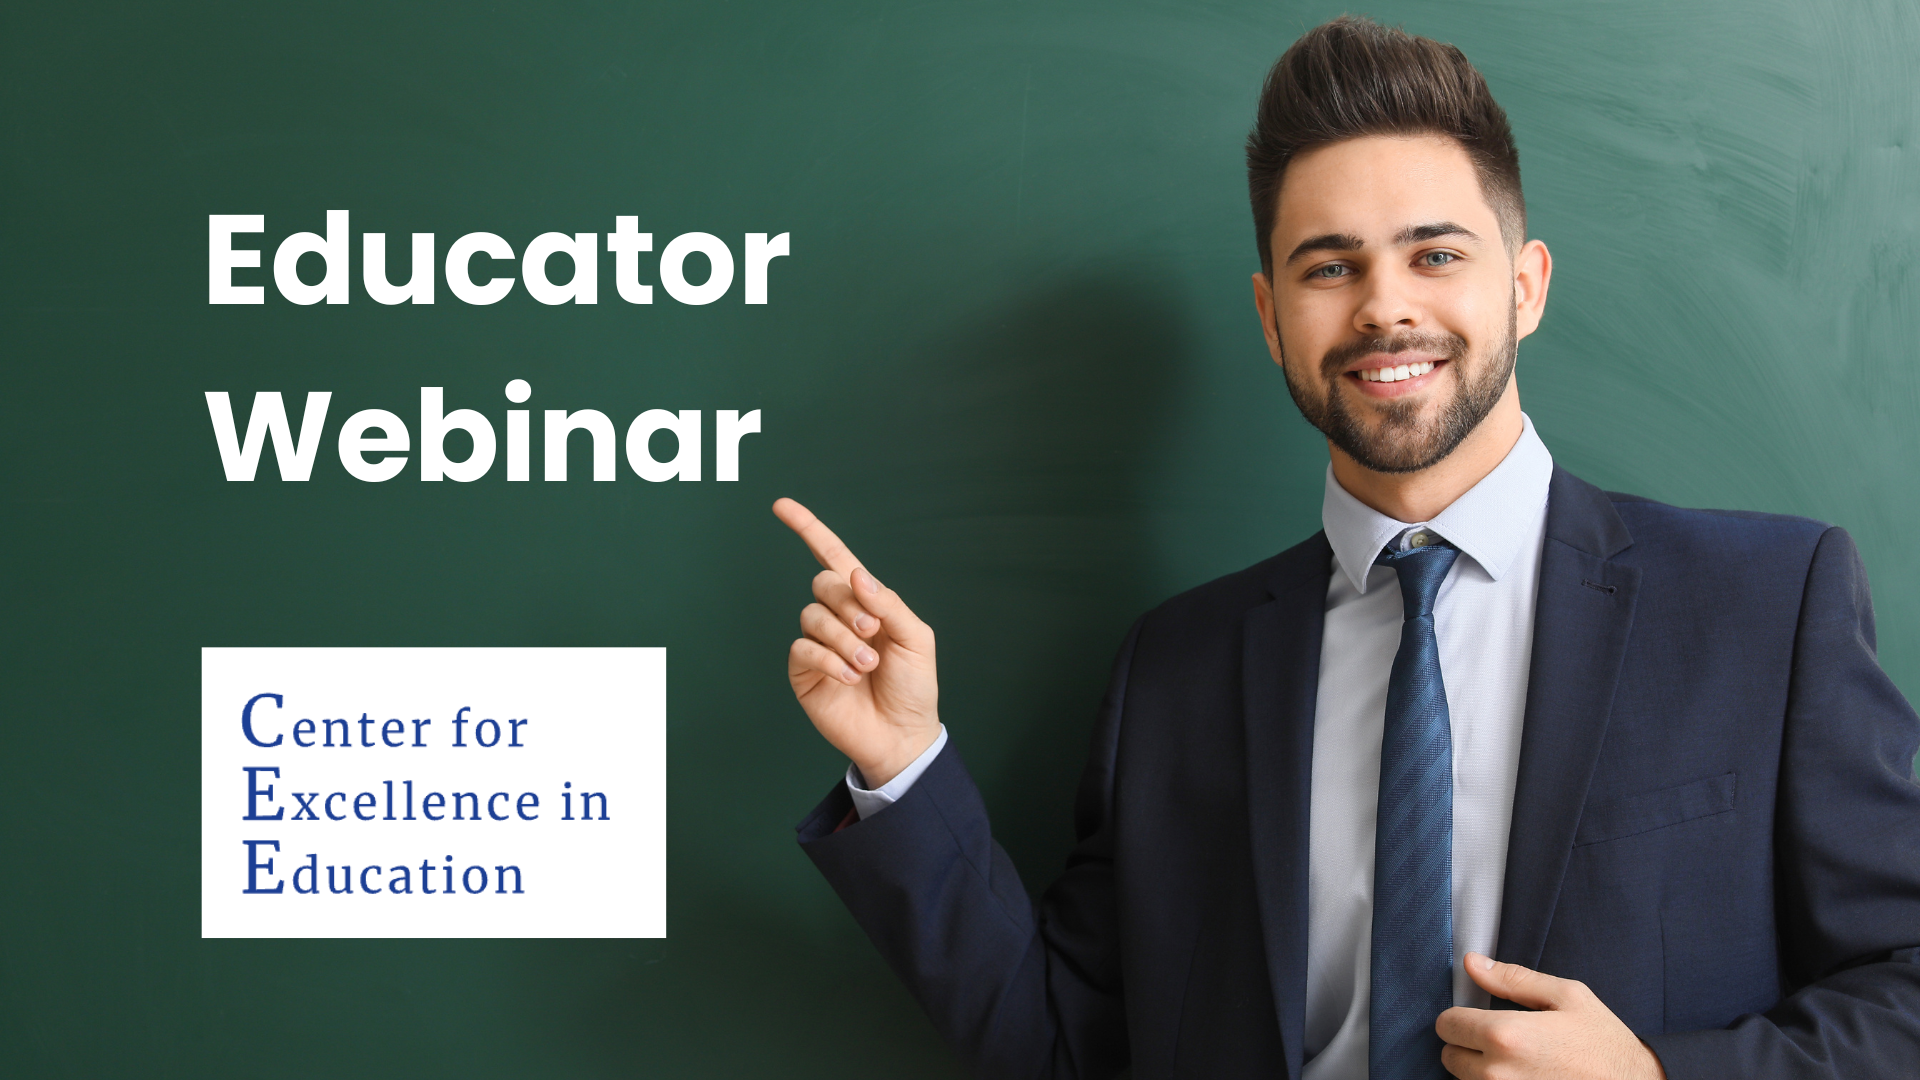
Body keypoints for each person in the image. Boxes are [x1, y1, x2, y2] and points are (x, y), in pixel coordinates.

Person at [773, 16, 1920, 1080]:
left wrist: (1664, 1075)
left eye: (1435, 255)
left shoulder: (1767, 605)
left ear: (1525, 288)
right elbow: (1064, 1046)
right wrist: (903, 765)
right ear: (1275, 318)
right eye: (1331, 268)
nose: (1383, 308)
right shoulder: (1176, 671)